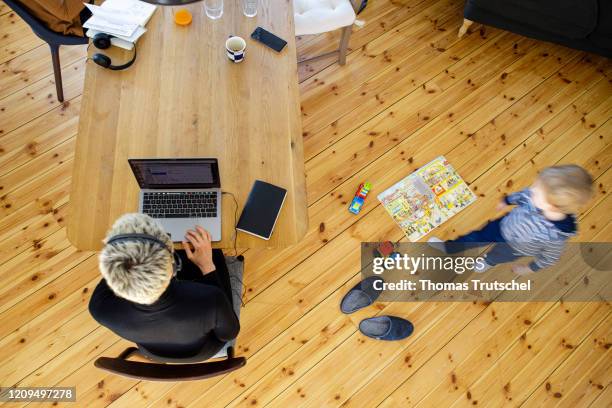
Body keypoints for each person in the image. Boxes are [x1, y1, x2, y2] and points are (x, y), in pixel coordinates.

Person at [89, 213, 239, 360]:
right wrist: (207, 266)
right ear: (175, 266)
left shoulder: (99, 308)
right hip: (201, 350)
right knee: (215, 252)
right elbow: (228, 334)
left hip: (154, 352)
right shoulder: (211, 299)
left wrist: (121, 254)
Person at [429, 165, 593, 275]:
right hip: (503, 226)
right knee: (475, 237)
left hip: (515, 248)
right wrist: (507, 201)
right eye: (536, 184)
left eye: (537, 190)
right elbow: (524, 195)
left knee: (499, 255)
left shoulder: (557, 237)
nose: (532, 189)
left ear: (552, 206)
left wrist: (530, 268)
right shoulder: (537, 197)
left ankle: (488, 262)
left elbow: (549, 257)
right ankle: (449, 248)